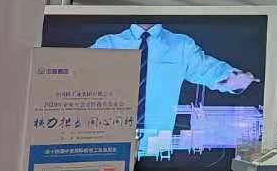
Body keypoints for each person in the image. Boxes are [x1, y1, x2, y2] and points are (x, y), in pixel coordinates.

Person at [91, 23, 257, 155]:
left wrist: (236, 78)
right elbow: (81, 72)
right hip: (111, 144)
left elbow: (208, 70)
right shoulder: (107, 44)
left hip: (158, 147)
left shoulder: (181, 46)